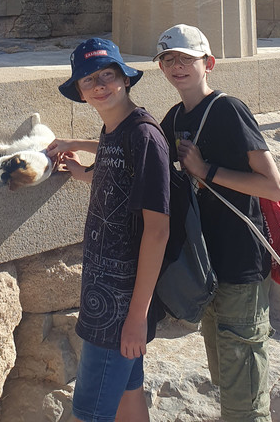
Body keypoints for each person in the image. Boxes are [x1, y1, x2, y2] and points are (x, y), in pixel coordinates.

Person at [155, 24, 280, 422]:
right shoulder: (175, 118)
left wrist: (206, 170)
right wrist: (77, 155)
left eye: (187, 58)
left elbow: (272, 186)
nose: (177, 66)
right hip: (207, 269)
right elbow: (145, 157)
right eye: (168, 59)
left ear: (208, 63)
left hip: (241, 265)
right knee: (228, 380)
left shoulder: (229, 110)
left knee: (245, 399)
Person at [46, 38, 170, 422]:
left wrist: (137, 317)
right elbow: (117, 173)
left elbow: (157, 231)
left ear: (125, 79)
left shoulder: (144, 137)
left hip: (119, 308)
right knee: (130, 396)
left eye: (107, 75)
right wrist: (82, 169)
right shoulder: (114, 129)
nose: (99, 85)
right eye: (88, 80)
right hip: (105, 296)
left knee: (90, 412)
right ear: (81, 93)